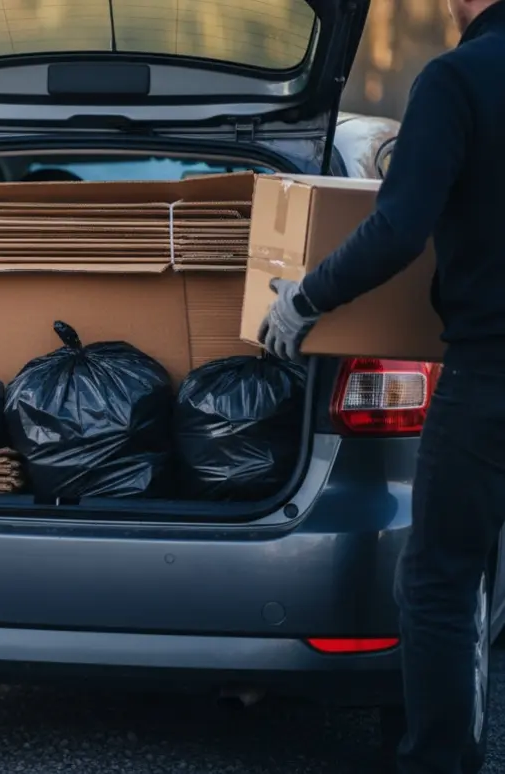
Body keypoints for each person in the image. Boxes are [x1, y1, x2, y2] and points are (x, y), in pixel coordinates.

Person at [259, 0, 505, 771]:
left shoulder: (458, 79)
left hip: (490, 376)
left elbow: (399, 227)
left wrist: (304, 300)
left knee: (439, 580)